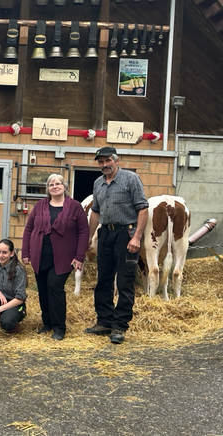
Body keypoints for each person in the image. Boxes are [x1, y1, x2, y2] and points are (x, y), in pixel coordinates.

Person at [84, 147, 149, 344]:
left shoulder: (131, 179)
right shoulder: (97, 183)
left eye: (107, 161)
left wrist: (136, 237)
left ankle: (119, 325)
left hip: (126, 233)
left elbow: (143, 209)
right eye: (100, 162)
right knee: (103, 278)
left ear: (116, 160)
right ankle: (104, 321)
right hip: (105, 233)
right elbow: (95, 211)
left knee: (124, 280)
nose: (104, 165)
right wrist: (89, 236)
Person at [21, 174, 89, 340]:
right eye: (51, 184)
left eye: (58, 183)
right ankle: (47, 323)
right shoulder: (39, 206)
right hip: (40, 254)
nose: (55, 186)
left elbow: (83, 232)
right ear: (48, 188)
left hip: (63, 257)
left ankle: (59, 328)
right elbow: (28, 229)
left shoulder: (75, 207)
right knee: (43, 290)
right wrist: (25, 252)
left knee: (54, 286)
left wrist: (79, 256)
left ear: (64, 186)